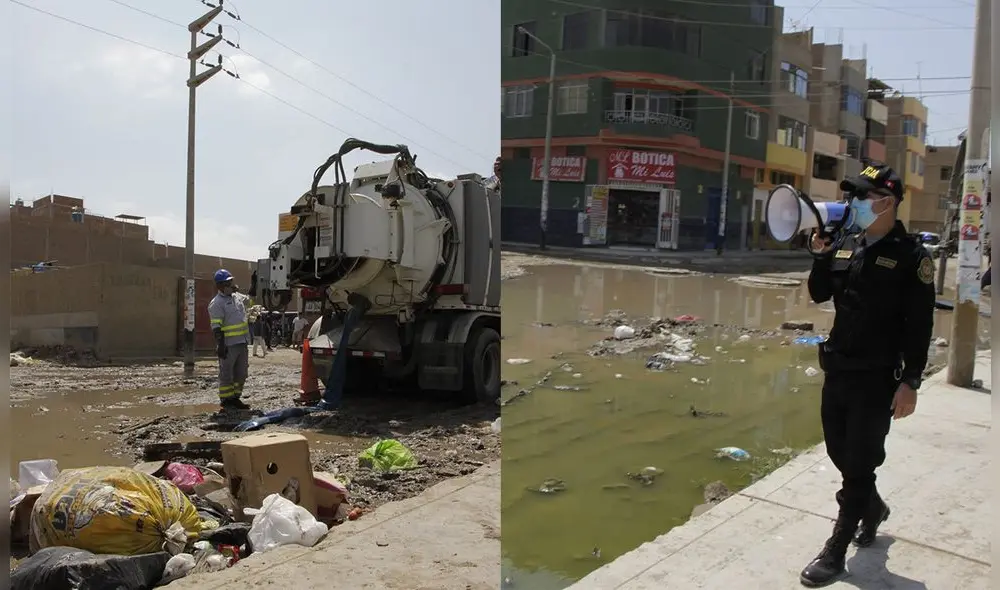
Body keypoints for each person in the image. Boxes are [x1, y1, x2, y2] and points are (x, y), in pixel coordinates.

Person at [801, 163, 935, 587]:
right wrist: (821, 257)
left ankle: (837, 547)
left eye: (862, 196)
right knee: (840, 452)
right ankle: (872, 507)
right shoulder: (847, 244)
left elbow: (920, 324)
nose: (853, 203)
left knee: (859, 462)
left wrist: (910, 381)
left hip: (877, 376)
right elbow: (820, 293)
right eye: (852, 196)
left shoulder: (913, 256)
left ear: (887, 202)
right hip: (838, 367)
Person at [207, 269, 252, 410]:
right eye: (228, 283)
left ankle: (235, 398)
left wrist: (254, 287)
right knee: (227, 374)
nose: (231, 284)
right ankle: (226, 400)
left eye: (231, 281)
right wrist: (220, 345)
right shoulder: (216, 303)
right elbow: (216, 326)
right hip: (228, 345)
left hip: (242, 342)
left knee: (242, 373)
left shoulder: (237, 297)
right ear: (219, 286)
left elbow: (251, 301)